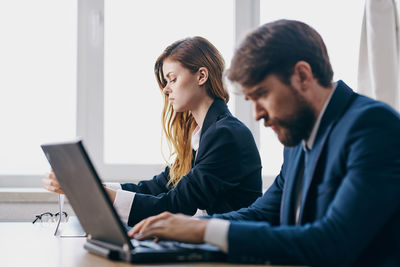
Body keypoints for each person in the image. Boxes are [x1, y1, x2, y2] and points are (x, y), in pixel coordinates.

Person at [128, 20, 400, 266]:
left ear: (303, 76)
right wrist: (188, 226)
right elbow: (263, 213)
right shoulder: (297, 140)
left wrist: (202, 230)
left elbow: (333, 241)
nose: (257, 114)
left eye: (262, 94)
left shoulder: (372, 126)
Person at [43, 36, 262, 227]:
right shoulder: (201, 134)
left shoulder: (226, 135)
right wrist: (93, 186)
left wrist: (92, 192)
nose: (166, 89)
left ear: (201, 76)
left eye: (173, 79)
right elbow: (158, 186)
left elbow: (175, 204)